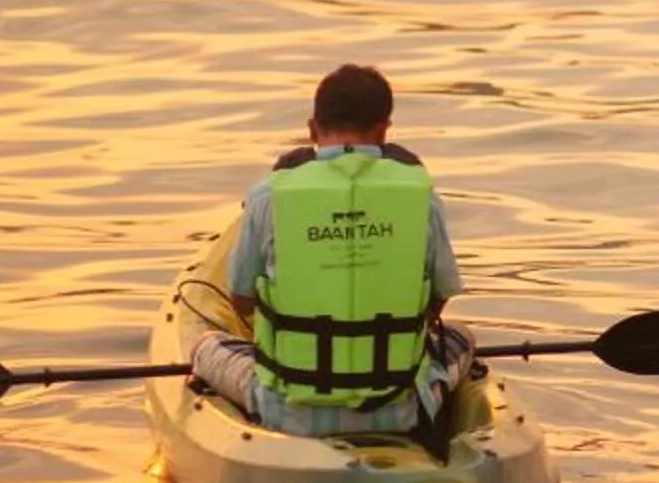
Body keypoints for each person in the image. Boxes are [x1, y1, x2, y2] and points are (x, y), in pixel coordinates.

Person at [187, 64, 474, 437]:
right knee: (461, 337)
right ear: (384, 129)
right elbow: (438, 299)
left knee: (205, 344)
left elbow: (241, 299)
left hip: (288, 409)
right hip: (398, 409)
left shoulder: (268, 197)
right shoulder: (422, 198)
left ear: (311, 130)